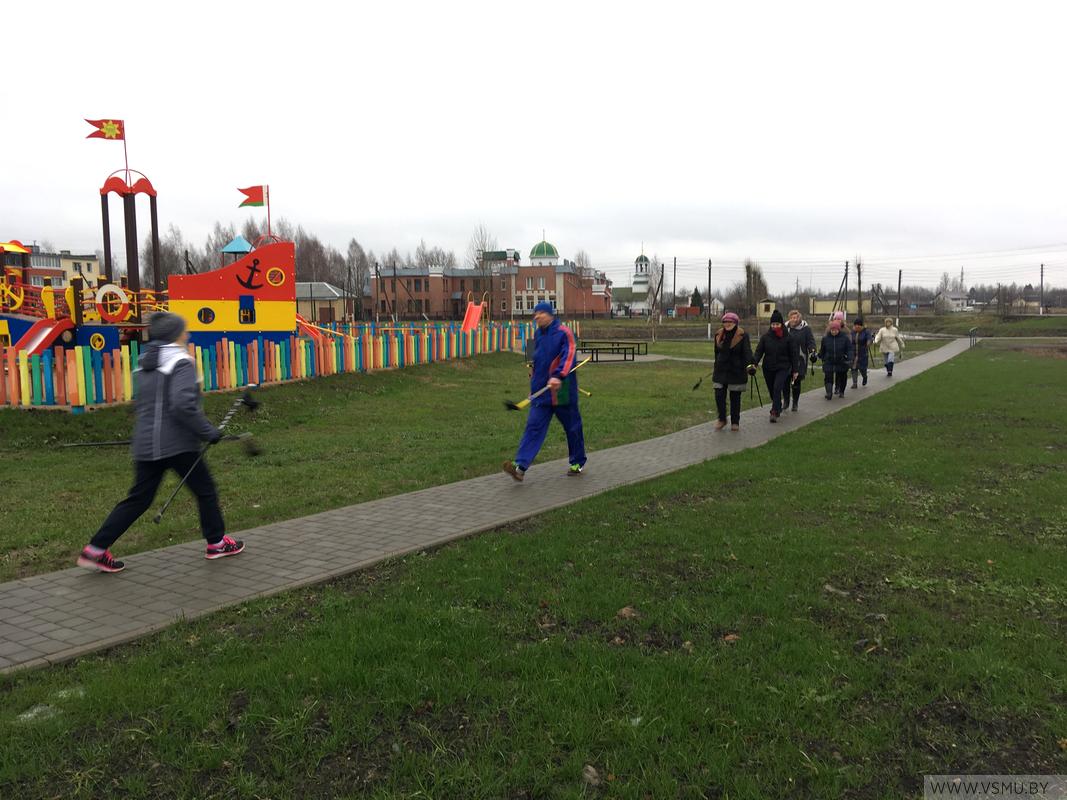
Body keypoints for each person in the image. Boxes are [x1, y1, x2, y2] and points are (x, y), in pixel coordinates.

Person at [77, 312, 244, 573]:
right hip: (178, 444)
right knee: (205, 490)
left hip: (145, 444)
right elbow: (182, 404)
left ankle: (95, 550)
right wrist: (207, 431)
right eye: (184, 330)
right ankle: (216, 543)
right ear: (175, 335)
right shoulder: (181, 361)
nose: (187, 334)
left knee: (138, 499)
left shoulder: (144, 362)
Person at [503, 302, 585, 481]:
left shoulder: (564, 332)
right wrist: (533, 378)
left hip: (562, 391)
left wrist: (559, 376)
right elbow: (538, 359)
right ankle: (520, 467)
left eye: (540, 312)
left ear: (550, 314)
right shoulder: (538, 334)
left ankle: (577, 462)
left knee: (573, 428)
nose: (537, 316)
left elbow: (569, 355)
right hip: (541, 392)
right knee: (533, 427)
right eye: (535, 313)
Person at [751, 309, 799, 422]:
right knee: (772, 390)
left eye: (777, 324)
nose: (775, 326)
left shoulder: (788, 338)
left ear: (781, 324)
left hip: (783, 367)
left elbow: (794, 354)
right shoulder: (765, 337)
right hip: (768, 368)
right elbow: (758, 352)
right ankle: (777, 405)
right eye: (773, 324)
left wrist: (795, 370)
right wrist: (753, 364)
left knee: (777, 388)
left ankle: (774, 412)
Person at [711, 311, 754, 431]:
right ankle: (722, 419)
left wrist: (750, 366)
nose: (727, 324)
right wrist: (716, 364)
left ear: (736, 323)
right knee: (719, 395)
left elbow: (747, 352)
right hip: (721, 369)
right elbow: (716, 352)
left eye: (730, 322)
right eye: (725, 321)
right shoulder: (718, 334)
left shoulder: (742, 335)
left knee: (735, 397)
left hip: (736, 370)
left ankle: (735, 422)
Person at [786, 309, 817, 412]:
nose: (793, 319)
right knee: (785, 381)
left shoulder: (805, 329)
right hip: (786, 359)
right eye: (792, 317)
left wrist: (812, 351)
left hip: (800, 359)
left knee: (796, 382)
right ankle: (786, 401)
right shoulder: (785, 328)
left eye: (795, 317)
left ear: (799, 318)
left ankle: (795, 403)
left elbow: (811, 342)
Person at [819, 319, 853, 399]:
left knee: (842, 377)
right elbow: (822, 350)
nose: (833, 332)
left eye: (835, 330)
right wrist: (821, 356)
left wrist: (849, 357)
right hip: (829, 361)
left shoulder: (844, 338)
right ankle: (829, 393)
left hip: (841, 361)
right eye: (832, 330)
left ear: (838, 329)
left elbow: (849, 349)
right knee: (828, 377)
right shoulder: (825, 338)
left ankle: (841, 391)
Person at [850, 317, 873, 388]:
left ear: (861, 325)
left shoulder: (866, 332)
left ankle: (864, 376)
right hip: (854, 354)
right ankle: (854, 383)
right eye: (855, 325)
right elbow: (850, 340)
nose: (857, 326)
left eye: (859, 325)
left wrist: (868, 342)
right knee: (853, 368)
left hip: (862, 354)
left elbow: (869, 339)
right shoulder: (852, 332)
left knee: (862, 369)